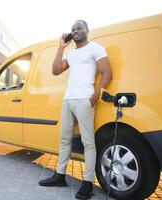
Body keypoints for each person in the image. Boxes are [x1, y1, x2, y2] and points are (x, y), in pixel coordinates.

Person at [38, 20, 112, 199]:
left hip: (84, 99)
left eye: (79, 28)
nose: (76, 31)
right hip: (68, 100)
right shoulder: (70, 54)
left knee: (88, 141)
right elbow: (55, 70)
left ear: (87, 30)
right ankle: (60, 176)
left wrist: (94, 96)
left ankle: (88, 184)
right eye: (73, 29)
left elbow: (107, 74)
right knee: (64, 139)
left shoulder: (96, 48)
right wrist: (61, 47)